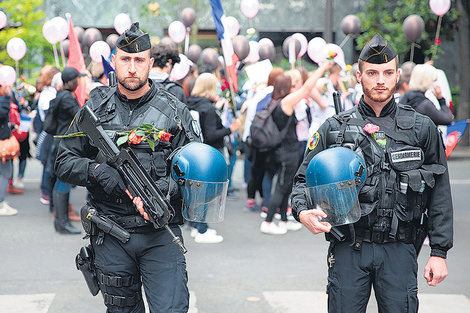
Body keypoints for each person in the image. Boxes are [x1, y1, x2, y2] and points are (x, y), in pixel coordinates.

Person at [290, 34, 453, 312]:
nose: (381, 80)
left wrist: (439, 252)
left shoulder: (421, 128)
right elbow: (302, 181)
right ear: (359, 76)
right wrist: (302, 211)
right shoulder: (334, 129)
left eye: (388, 73)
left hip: (400, 249)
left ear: (398, 75)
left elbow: (440, 192)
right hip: (349, 248)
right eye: (372, 73)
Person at [55, 22, 200, 312]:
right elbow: (62, 161)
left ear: (149, 63)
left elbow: (196, 168)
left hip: (161, 232)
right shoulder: (95, 107)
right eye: (125, 59)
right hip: (110, 233)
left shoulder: (174, 110)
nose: (132, 67)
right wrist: (96, 172)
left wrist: (167, 187)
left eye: (139, 60)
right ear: (114, 62)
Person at [260, 61, 333, 235]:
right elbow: (307, 89)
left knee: (286, 185)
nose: (295, 88)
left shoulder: (276, 101)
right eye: (292, 85)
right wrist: (322, 68)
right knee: (282, 186)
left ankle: (284, 220)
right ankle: (269, 221)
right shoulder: (285, 102)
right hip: (287, 151)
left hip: (285, 150)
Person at [186, 72, 240, 244]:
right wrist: (230, 129)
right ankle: (201, 228)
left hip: (195, 151)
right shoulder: (207, 108)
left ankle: (197, 225)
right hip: (208, 154)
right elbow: (211, 134)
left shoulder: (192, 103)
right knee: (205, 192)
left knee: (197, 191)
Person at [49, 67, 85, 234]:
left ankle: (60, 221)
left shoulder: (61, 96)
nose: (78, 81)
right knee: (63, 183)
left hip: (60, 144)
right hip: (66, 145)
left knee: (60, 183)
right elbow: (81, 117)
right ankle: (62, 222)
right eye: (77, 79)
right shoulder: (66, 98)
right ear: (71, 81)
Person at [0, 85, 18, 216]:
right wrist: (6, 97)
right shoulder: (4, 100)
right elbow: (2, 113)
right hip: (2, 141)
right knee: (5, 173)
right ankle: (0, 203)